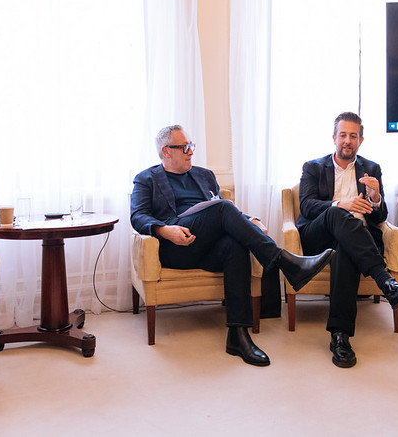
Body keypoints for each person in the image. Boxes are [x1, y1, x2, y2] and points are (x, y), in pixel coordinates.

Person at [131, 125, 334, 367]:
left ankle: (238, 335)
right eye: (184, 147)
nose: (191, 152)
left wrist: (249, 220)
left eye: (191, 146)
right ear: (166, 151)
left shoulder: (205, 175)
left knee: (234, 245)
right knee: (224, 207)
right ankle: (285, 262)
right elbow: (138, 215)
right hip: (178, 246)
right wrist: (164, 230)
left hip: (207, 245)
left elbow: (221, 211)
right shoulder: (146, 179)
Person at [296, 112, 398, 368]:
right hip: (318, 234)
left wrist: (375, 198)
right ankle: (385, 281)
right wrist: (342, 204)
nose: (347, 141)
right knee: (337, 213)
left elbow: (380, 217)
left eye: (353, 136)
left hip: (355, 240)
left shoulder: (372, 169)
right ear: (334, 138)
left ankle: (340, 337)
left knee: (345, 250)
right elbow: (306, 206)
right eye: (343, 135)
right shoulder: (313, 167)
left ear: (361, 140)